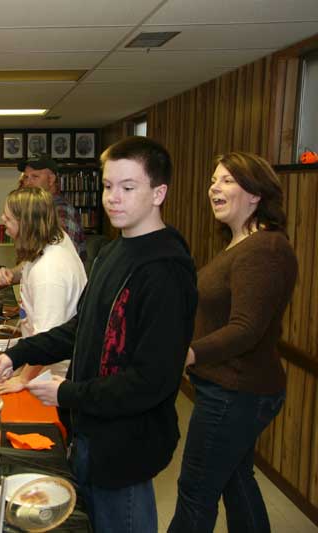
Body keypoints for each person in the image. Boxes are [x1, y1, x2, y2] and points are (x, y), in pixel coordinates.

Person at [0, 136, 198, 533]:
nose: (113, 198)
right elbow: (80, 328)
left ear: (159, 193)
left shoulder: (166, 271)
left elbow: (152, 381)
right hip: (89, 430)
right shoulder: (112, 252)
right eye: (107, 186)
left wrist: (66, 393)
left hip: (126, 445)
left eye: (128, 187)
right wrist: (18, 354)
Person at [168, 153, 297, 533]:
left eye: (226, 180)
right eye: (213, 180)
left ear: (256, 194)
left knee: (196, 491)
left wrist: (188, 353)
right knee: (236, 482)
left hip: (237, 390)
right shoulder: (240, 244)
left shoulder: (265, 249)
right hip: (227, 387)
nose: (214, 187)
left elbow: (246, 328)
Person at [0, 187, 87, 395]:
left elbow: (46, 341)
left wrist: (22, 379)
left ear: (27, 224)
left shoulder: (48, 273)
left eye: (9, 217)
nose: (2, 218)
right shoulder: (51, 240)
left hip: (55, 374)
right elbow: (26, 267)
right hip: (41, 366)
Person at [19, 156, 86, 260]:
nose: (28, 183)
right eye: (26, 177)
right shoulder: (38, 209)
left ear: (51, 179)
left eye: (35, 177)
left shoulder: (61, 212)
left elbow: (62, 260)